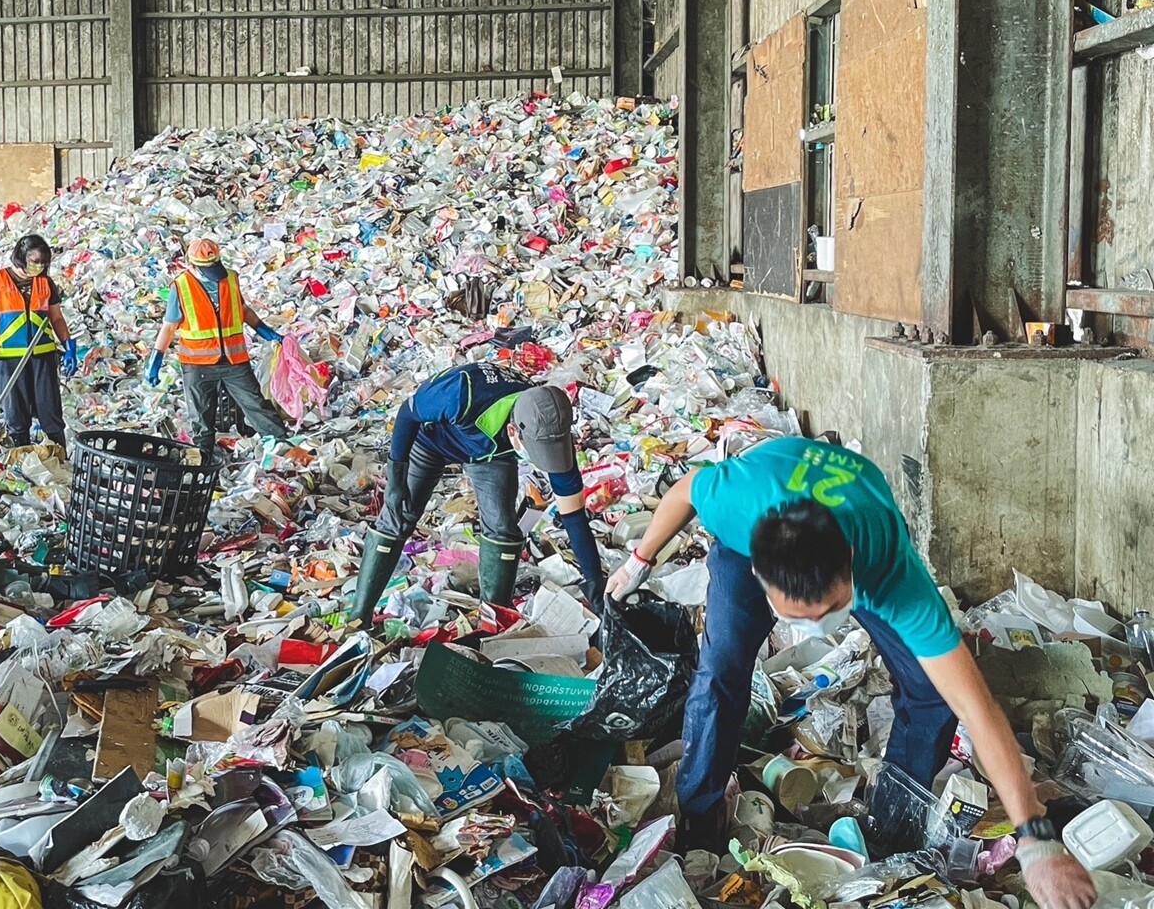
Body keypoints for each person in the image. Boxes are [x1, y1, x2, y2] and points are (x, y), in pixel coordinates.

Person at [606, 436, 1096, 909]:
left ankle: (891, 834)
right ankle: (699, 811)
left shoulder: (890, 572)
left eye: (833, 610)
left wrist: (1036, 838)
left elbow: (977, 705)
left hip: (855, 525)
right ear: (761, 575)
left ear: (852, 573)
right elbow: (686, 489)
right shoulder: (733, 505)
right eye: (799, 617)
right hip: (764, 504)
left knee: (932, 695)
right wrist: (638, 560)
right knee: (719, 676)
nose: (818, 626)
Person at [350, 363, 607, 623]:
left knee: (502, 528)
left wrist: (594, 580)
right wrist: (396, 478)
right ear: (512, 432)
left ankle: (493, 623)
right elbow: (408, 412)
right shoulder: (461, 393)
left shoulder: (548, 427)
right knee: (398, 515)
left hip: (488, 455)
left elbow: (573, 514)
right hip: (430, 441)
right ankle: (359, 616)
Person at [146, 238, 288, 460]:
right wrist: (156, 360)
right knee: (201, 418)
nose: (212, 273)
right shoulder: (181, 286)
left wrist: (264, 330)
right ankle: (202, 462)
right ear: (191, 265)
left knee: (256, 405)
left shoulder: (230, 278)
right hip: (197, 364)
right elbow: (169, 326)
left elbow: (243, 310)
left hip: (234, 360)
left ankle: (283, 447)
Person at [0, 234, 78, 447]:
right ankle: (22, 456)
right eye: (34, 261)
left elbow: (56, 317)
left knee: (50, 410)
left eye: (43, 262)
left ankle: (58, 456)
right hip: (7, 358)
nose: (39, 266)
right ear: (20, 257)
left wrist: (69, 346)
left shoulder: (45, 283)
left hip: (42, 356)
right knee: (16, 413)